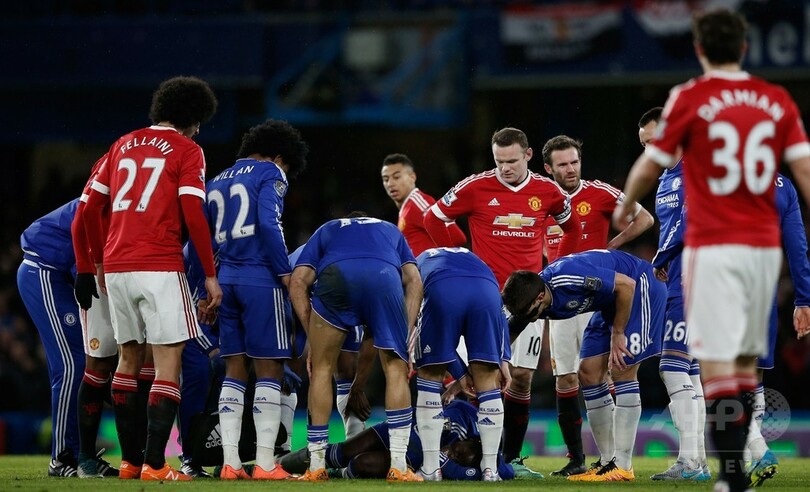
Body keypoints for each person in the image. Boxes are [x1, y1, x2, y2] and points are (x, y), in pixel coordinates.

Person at [613, 9, 810, 492]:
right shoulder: (776, 100)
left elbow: (649, 165)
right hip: (761, 257)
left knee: (715, 368)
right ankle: (745, 457)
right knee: (744, 368)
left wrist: (628, 204)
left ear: (699, 49)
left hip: (712, 248)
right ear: (745, 48)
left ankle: (732, 475)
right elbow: (803, 173)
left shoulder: (691, 98)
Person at [82, 75, 222, 481]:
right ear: (192, 116)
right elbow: (193, 212)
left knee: (127, 360)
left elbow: (89, 209)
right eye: (199, 122)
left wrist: (98, 262)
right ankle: (156, 465)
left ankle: (130, 463)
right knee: (167, 363)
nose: (199, 130)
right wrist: (210, 274)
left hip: (117, 266)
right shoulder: (187, 149)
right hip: (159, 263)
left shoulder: (122, 143)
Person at [424, 127, 581, 462]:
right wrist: (459, 259)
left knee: (521, 378)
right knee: (472, 377)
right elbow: (433, 218)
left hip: (528, 303)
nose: (505, 168)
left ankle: (511, 459)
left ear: (528, 155)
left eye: (512, 161)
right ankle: (460, 455)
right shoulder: (474, 187)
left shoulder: (548, 191)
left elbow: (572, 228)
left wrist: (555, 268)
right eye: (499, 162)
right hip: (483, 298)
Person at [540, 135, 654, 477]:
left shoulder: (600, 193)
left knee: (602, 373)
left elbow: (645, 219)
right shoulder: (541, 197)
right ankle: (579, 459)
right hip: (560, 296)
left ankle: (617, 459)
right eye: (562, 164)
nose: (570, 169)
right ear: (548, 169)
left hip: (597, 295)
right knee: (566, 377)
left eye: (574, 162)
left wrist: (611, 246)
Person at [502, 249, 666, 482]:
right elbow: (510, 332)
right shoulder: (530, 300)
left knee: (621, 368)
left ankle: (623, 466)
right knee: (588, 373)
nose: (531, 319)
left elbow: (626, 285)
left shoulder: (570, 277)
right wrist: (498, 363)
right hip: (609, 303)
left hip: (640, 288)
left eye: (531, 314)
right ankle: (608, 462)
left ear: (539, 298)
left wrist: (618, 332)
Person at [204, 119, 308, 481]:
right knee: (270, 369)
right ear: (279, 156)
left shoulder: (216, 180)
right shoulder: (271, 172)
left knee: (233, 369)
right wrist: (284, 271)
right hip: (261, 279)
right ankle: (265, 464)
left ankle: (231, 464)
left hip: (225, 280)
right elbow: (269, 223)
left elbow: (203, 238)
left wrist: (206, 284)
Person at [289, 215, 423, 482]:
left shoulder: (328, 227)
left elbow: (298, 281)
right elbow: (415, 281)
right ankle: (398, 466)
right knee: (395, 369)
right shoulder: (389, 229)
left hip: (337, 276)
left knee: (322, 370)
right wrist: (404, 334)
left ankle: (316, 466)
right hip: (383, 276)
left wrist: (313, 336)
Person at [637, 107, 710, 481]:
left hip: (694, 278)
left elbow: (690, 219)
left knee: (671, 366)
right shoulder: (667, 178)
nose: (652, 149)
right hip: (679, 277)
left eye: (656, 140)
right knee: (690, 371)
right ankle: (698, 462)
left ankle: (690, 461)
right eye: (645, 145)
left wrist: (661, 255)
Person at [412, 246, 511, 481]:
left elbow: (438, 347)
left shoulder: (416, 262)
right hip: (487, 291)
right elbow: (500, 315)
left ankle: (431, 468)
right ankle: (490, 469)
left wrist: (459, 373)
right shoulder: (473, 258)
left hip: (443, 289)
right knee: (488, 380)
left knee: (430, 373)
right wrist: (504, 360)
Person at [744, 172, 810, 486]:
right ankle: (748, 456)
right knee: (753, 374)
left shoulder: (721, 173)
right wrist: (804, 299)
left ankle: (756, 448)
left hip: (727, 280)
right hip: (765, 287)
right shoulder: (784, 186)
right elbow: (797, 245)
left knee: (715, 372)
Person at [278, 400, 532, 481]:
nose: (451, 453)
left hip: (411, 457)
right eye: (457, 451)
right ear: (474, 441)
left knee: (361, 464)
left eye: (456, 458)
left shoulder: (483, 458)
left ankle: (336, 474)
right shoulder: (463, 415)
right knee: (344, 450)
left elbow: (506, 471)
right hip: (402, 430)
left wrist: (450, 462)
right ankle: (279, 463)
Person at [17, 199, 85, 477]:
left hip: (58, 275)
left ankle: (81, 456)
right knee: (70, 367)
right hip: (43, 269)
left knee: (82, 365)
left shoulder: (118, 193)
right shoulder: (107, 193)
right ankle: (62, 457)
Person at [71, 156, 124, 479]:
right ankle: (86, 457)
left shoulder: (174, 156)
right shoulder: (114, 158)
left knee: (141, 362)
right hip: (102, 271)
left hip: (137, 268)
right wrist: (85, 268)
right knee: (99, 364)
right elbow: (83, 215)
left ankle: (138, 458)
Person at [380, 153, 466, 256]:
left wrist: (436, 261)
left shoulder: (418, 203)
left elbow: (457, 238)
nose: (390, 184)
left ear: (412, 177)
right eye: (386, 179)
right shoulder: (406, 208)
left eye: (396, 177)